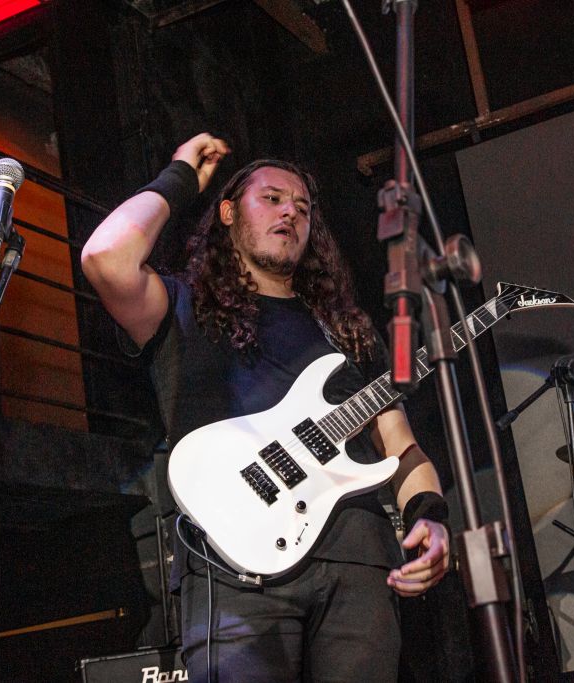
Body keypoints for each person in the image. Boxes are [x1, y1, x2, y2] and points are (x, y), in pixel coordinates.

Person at [81, 132, 450, 682]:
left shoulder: (345, 330)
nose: (290, 212)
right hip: (233, 567)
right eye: (272, 198)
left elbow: (401, 446)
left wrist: (431, 517)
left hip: (356, 560)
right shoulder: (182, 305)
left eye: (302, 207)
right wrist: (180, 177)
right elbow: (104, 257)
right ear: (228, 212)